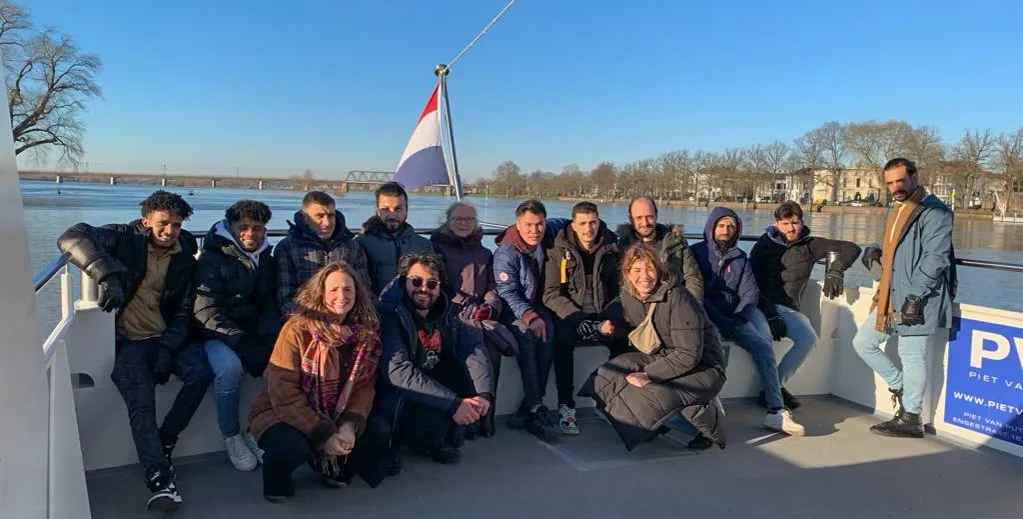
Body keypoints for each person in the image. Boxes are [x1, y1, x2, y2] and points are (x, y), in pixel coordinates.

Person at [57, 190, 212, 512]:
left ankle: (165, 440)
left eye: (177, 225)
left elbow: (184, 310)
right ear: (146, 222)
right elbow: (72, 236)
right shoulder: (123, 238)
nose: (169, 231)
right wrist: (107, 275)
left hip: (167, 336)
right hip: (129, 341)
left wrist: (168, 349)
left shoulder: (185, 256)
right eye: (163, 223)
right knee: (140, 399)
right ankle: (159, 477)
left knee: (200, 374)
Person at [248, 262, 390, 502]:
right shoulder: (297, 329)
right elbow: (283, 392)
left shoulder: (365, 334)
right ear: (321, 293)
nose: (341, 296)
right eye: (333, 290)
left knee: (378, 430)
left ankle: (332, 470)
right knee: (291, 447)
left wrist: (348, 424)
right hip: (280, 411)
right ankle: (277, 481)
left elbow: (364, 387)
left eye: (347, 289)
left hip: (337, 409)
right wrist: (323, 433)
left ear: (357, 293)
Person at [579, 244, 727, 451]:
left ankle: (702, 427)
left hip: (704, 366)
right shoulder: (631, 296)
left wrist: (648, 375)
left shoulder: (679, 298)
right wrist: (607, 326)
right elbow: (629, 322)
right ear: (627, 274)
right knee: (611, 374)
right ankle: (654, 425)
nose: (644, 276)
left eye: (650, 269)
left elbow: (688, 354)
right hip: (665, 356)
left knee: (648, 396)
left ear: (659, 270)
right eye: (637, 270)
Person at [853, 158, 954, 438]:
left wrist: (915, 296)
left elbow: (936, 258)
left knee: (912, 356)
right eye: (890, 183)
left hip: (917, 298)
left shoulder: (935, 212)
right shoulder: (894, 209)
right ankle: (900, 386)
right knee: (863, 342)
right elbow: (891, 242)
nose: (895, 187)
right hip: (890, 294)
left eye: (900, 181)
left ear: (914, 177)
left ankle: (911, 417)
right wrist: (873, 249)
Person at [691, 207, 805, 436]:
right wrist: (720, 319)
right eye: (722, 226)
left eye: (731, 227)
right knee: (712, 349)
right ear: (712, 228)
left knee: (764, 347)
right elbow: (696, 294)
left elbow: (750, 293)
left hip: (736, 318)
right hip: (707, 319)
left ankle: (776, 410)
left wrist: (740, 317)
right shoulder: (695, 253)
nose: (726, 231)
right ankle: (711, 404)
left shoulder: (740, 258)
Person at [373, 252, 494, 465]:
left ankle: (443, 431)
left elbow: (472, 346)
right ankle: (415, 441)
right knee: (436, 423)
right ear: (403, 282)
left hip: (433, 380)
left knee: (466, 384)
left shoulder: (447, 309)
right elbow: (398, 372)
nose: (423, 289)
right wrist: (452, 404)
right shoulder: (390, 314)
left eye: (431, 284)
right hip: (402, 393)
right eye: (416, 282)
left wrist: (483, 395)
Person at [748, 201, 861, 409]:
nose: (791, 228)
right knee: (763, 339)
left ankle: (772, 388)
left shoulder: (810, 245)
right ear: (776, 224)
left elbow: (851, 248)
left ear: (802, 222)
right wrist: (770, 313)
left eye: (796, 222)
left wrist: (836, 269)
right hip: (760, 307)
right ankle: (774, 395)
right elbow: (750, 285)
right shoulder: (763, 247)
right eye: (785, 223)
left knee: (808, 338)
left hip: (788, 309)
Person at [193, 200, 280, 471]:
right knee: (230, 368)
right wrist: (243, 343)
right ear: (230, 227)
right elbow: (206, 312)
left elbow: (269, 305)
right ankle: (231, 435)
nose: (250, 234)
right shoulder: (212, 258)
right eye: (243, 227)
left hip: (252, 332)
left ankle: (258, 430)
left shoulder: (266, 259)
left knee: (283, 360)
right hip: (214, 334)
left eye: (257, 228)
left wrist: (266, 339)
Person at [429, 201, 518, 438]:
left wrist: (490, 306)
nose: (463, 224)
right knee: (464, 355)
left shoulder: (484, 253)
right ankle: (463, 418)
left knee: (493, 352)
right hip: (450, 317)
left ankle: (486, 415)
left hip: (481, 318)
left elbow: (492, 286)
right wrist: (467, 305)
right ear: (447, 221)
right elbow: (440, 285)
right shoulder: (435, 249)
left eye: (468, 219)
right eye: (458, 219)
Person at [542, 202, 625, 436]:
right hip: (570, 314)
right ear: (573, 225)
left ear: (599, 222)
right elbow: (550, 294)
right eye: (583, 223)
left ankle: (609, 402)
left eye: (593, 222)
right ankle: (566, 405)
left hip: (602, 312)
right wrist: (580, 320)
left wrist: (608, 319)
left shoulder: (612, 248)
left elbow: (620, 292)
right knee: (563, 341)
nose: (589, 229)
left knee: (624, 341)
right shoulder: (557, 250)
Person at [493, 200, 569, 441]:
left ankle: (530, 405)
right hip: (512, 309)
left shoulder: (547, 236)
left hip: (537, 304)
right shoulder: (507, 252)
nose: (534, 231)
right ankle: (536, 406)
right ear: (517, 224)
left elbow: (568, 222)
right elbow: (507, 292)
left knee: (549, 333)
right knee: (527, 335)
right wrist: (529, 316)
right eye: (528, 225)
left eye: (539, 224)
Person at [274, 190, 370, 314]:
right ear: (304, 217)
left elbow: (364, 290)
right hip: (306, 318)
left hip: (347, 317)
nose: (327, 223)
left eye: (331, 215)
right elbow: (285, 298)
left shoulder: (352, 246)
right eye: (319, 216)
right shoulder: (287, 248)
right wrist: (316, 321)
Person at [616, 195, 704, 301]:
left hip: (672, 302)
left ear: (656, 216)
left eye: (649, 217)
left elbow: (692, 278)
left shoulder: (676, 242)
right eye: (639, 218)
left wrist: (692, 306)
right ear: (631, 219)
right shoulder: (621, 247)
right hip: (635, 304)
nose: (645, 223)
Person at [356, 182, 433, 294]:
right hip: (374, 308)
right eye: (386, 209)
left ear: (406, 210)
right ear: (377, 210)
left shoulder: (423, 246)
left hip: (412, 308)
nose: (392, 215)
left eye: (398, 209)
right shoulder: (361, 243)